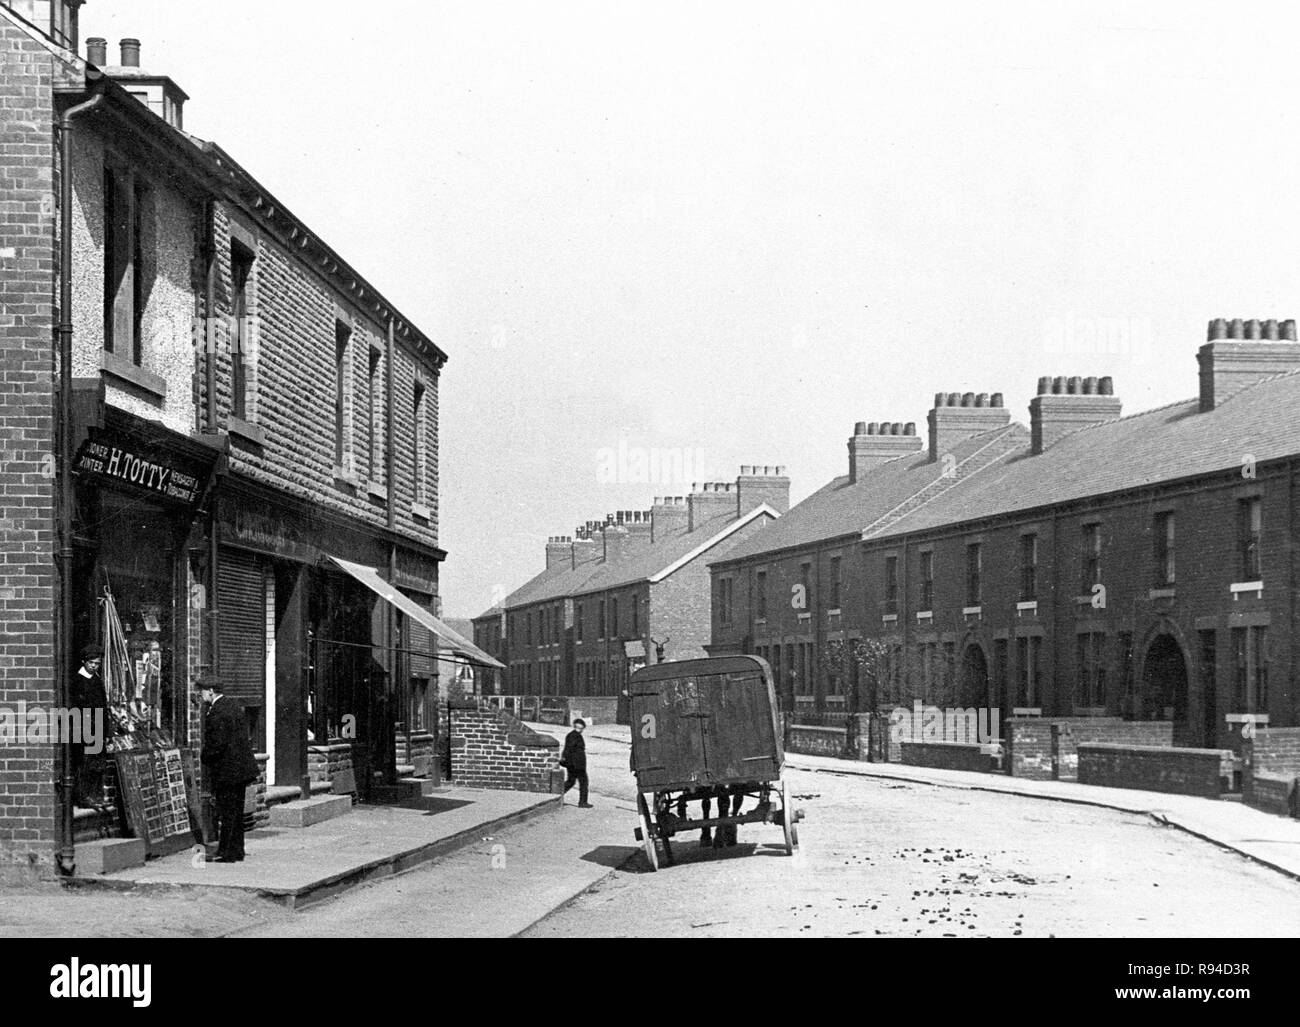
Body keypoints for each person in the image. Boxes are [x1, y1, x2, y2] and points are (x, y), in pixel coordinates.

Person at [198, 673, 260, 862]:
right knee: (236, 812)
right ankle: (236, 849)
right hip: (240, 770)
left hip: (227, 771)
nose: (201, 696)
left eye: (202, 692)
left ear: (210, 691)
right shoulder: (233, 706)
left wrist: (205, 757)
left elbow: (217, 743)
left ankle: (227, 853)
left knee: (227, 812)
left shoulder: (217, 712)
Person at [560, 718, 593, 808]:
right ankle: (582, 802)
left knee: (571, 781)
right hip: (577, 764)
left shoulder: (570, 735)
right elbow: (570, 749)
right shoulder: (576, 736)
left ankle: (557, 795)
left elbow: (567, 749)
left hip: (571, 764)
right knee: (583, 782)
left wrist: (564, 759)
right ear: (581, 727)